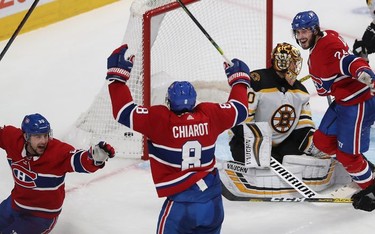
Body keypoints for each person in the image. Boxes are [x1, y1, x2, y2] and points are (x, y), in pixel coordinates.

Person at [105, 44, 250, 233]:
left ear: (169, 102)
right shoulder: (210, 114)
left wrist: (117, 77)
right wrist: (239, 81)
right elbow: (240, 109)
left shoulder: (160, 121)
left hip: (182, 205)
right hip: (212, 200)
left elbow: (123, 112)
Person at [291, 10, 375, 211]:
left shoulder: (327, 48)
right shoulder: (326, 37)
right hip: (343, 102)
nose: (301, 36)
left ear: (315, 30)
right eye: (297, 32)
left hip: (358, 104)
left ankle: (370, 188)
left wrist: (366, 73)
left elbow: (349, 62)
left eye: (305, 31)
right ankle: (363, 169)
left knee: (348, 156)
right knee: (321, 141)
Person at [0, 113, 115, 233]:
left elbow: (78, 160)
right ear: (26, 137)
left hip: (40, 216)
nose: (44, 141)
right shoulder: (12, 139)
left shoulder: (58, 152)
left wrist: (93, 158)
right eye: (38, 136)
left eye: (46, 135)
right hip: (14, 204)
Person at [229, 42, 323, 164]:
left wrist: (319, 147)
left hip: (281, 144)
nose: (296, 67)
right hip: (246, 141)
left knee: (298, 161)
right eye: (294, 62)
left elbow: (304, 128)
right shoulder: (257, 82)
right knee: (263, 161)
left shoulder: (301, 91)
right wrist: (263, 148)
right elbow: (241, 123)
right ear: (283, 63)